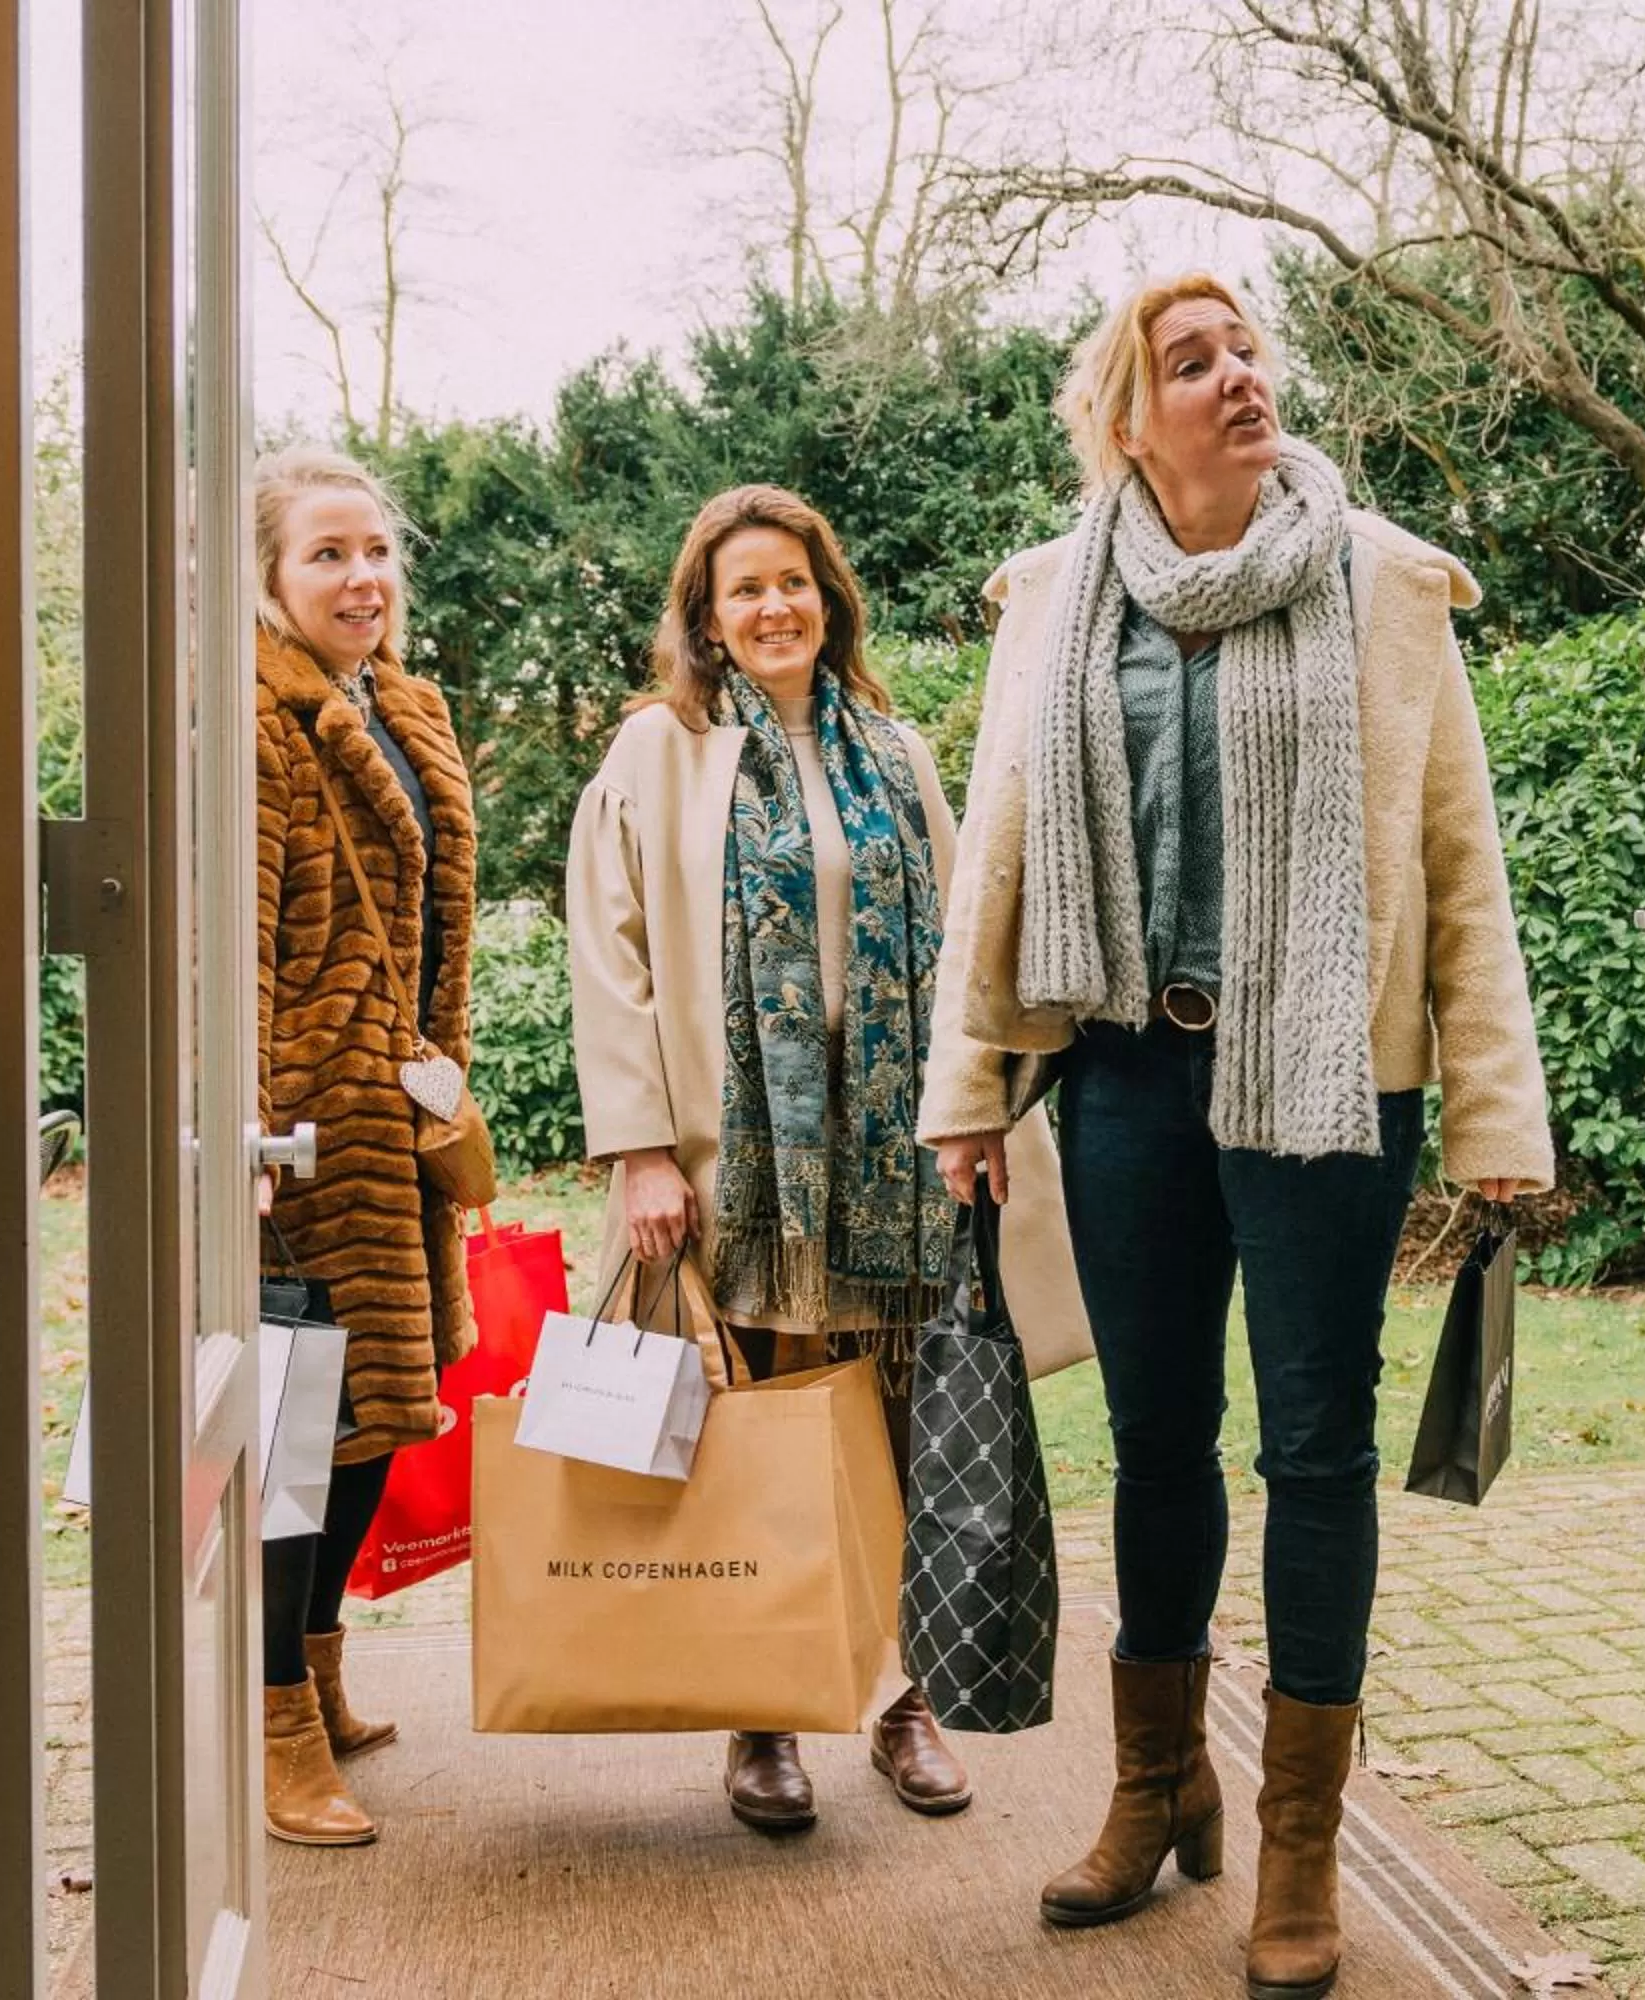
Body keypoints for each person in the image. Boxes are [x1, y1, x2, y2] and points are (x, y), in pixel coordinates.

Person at [921, 274, 1552, 2000]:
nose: (1236, 374)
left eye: (1247, 347)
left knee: (1319, 1455)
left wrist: (1501, 1113)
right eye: (1189, 361)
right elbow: (999, 851)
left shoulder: (1387, 584)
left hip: (1329, 1078)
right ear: (1131, 421)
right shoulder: (1054, 601)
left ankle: (1299, 1845)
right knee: (1154, 1442)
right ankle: (1156, 1783)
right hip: (1125, 1075)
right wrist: (971, 1089)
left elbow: (1459, 865)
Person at [565, 484, 1090, 1836]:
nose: (774, 606)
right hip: (743, 1166)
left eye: (792, 581)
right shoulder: (657, 755)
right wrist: (636, 1152)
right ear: (708, 617)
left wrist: (986, 1107)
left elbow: (969, 940)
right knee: (770, 1438)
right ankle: (765, 1712)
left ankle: (903, 1701)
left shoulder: (897, 749)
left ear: (828, 597)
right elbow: (610, 958)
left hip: (899, 1164)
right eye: (744, 588)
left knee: (910, 1432)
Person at [251, 444, 485, 1847]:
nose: (360, 577)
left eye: (374, 550)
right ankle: (273, 1714)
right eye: (326, 555)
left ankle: (321, 1664)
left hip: (395, 1111)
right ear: (274, 581)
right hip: (305, 1125)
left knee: (375, 1419)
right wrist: (265, 1129)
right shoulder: (259, 721)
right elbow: (228, 944)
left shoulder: (402, 704)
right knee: (297, 1429)